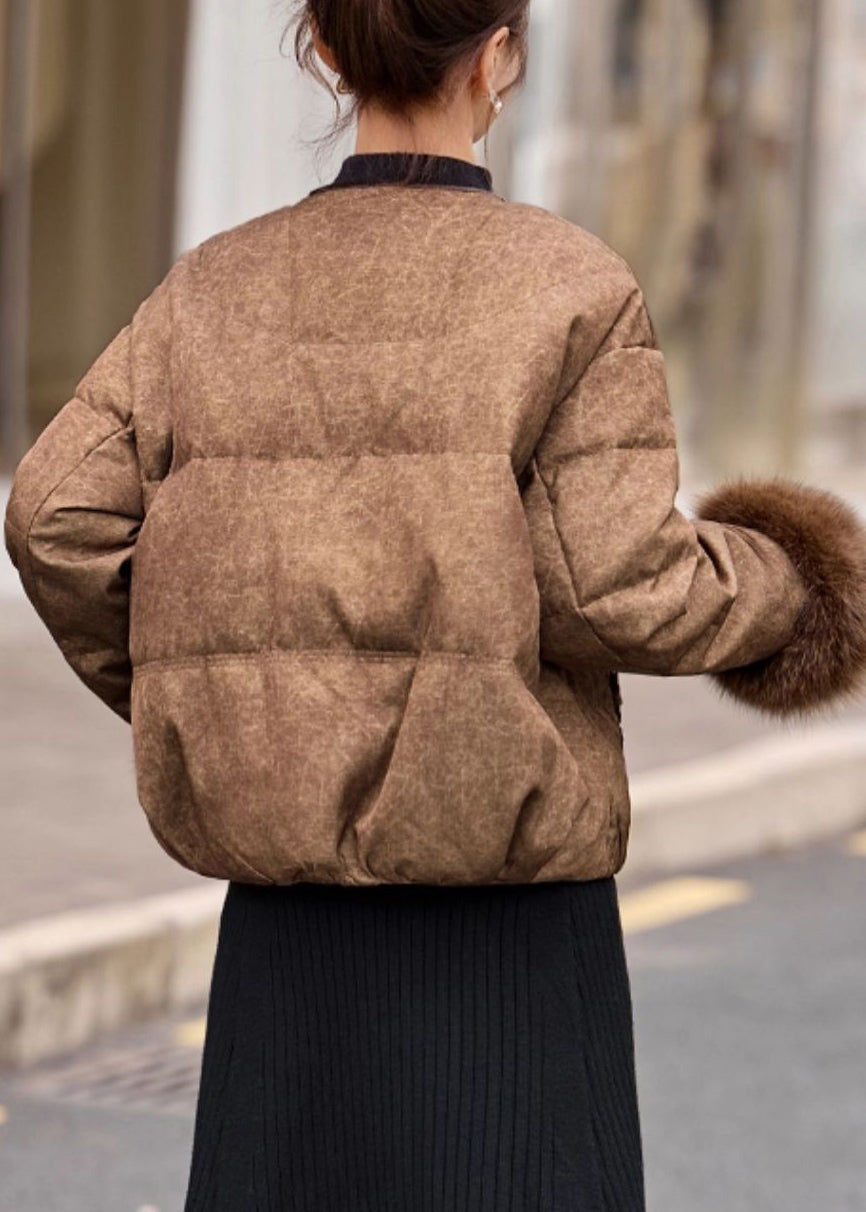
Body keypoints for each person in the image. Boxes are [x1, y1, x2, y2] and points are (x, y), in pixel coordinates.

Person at [5, 1, 866, 1208]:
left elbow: (54, 516)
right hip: (506, 938)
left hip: (285, 940)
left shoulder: (210, 288)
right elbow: (619, 582)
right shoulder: (565, 287)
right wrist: (804, 583)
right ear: (499, 54)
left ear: (321, 48)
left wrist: (224, 686)